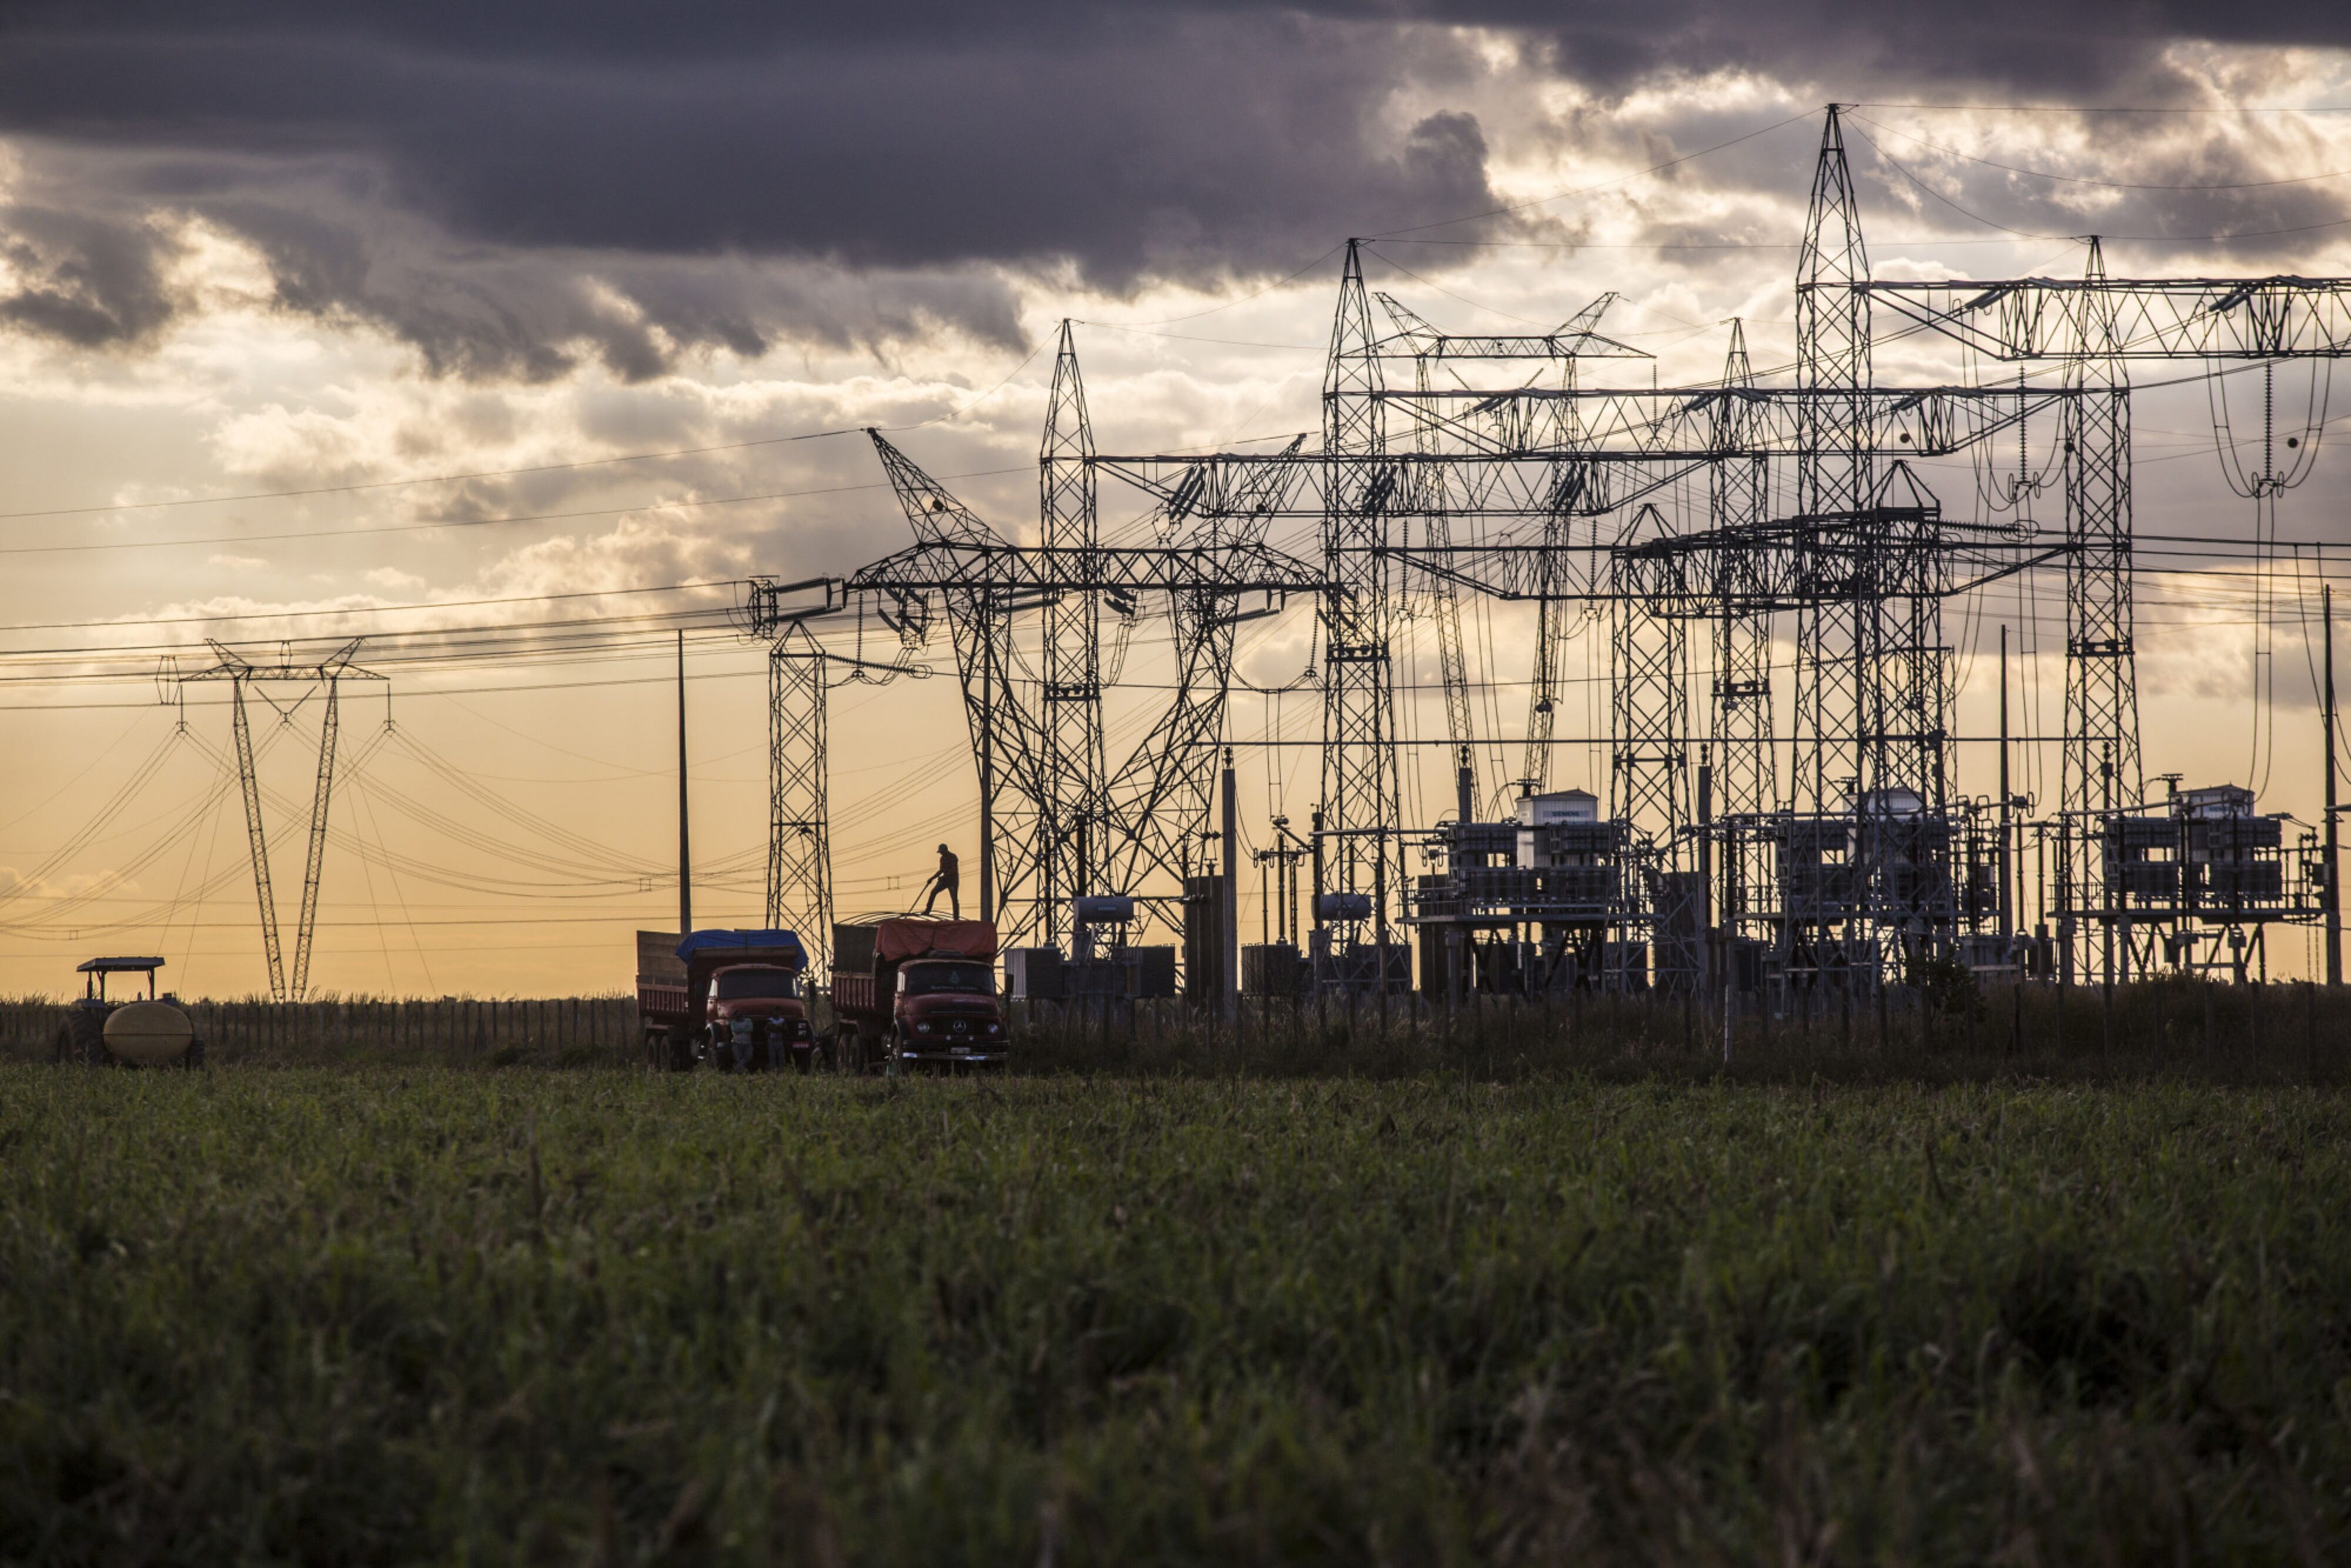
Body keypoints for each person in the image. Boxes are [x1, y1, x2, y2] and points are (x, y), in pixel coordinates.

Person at [919, 842, 961, 918]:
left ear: (945, 850)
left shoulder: (953, 857)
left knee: (954, 899)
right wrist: (932, 878)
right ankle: (927, 911)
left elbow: (954, 871)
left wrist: (944, 877)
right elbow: (941, 870)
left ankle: (956, 917)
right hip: (945, 880)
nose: (941, 854)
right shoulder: (942, 858)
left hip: (953, 881)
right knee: (933, 892)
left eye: (942, 852)